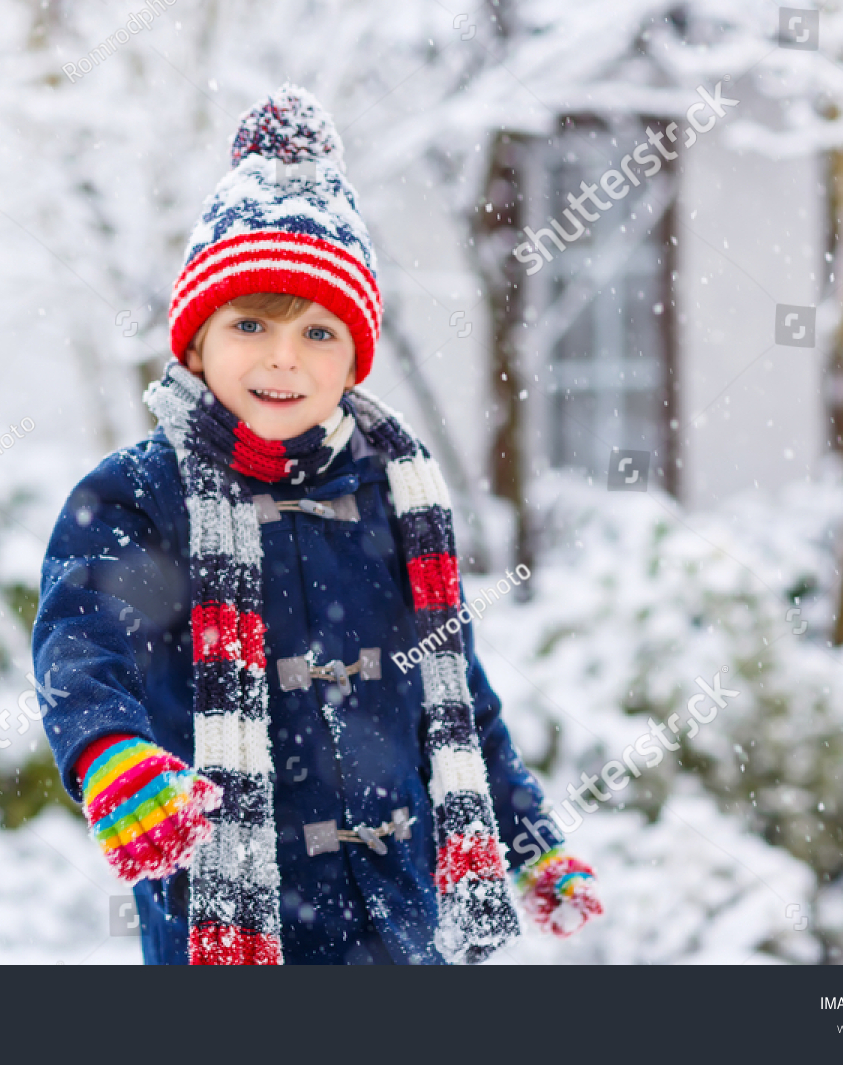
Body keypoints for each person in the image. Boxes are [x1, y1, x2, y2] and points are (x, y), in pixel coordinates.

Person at [32, 84, 602, 965]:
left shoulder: (396, 500)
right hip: (237, 926)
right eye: (251, 322)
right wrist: (113, 756)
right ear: (195, 344)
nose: (284, 357)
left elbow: (457, 702)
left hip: (401, 927)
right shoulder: (141, 496)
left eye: (320, 331)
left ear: (355, 353)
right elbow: (80, 647)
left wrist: (528, 836)